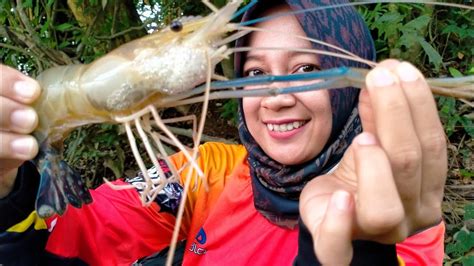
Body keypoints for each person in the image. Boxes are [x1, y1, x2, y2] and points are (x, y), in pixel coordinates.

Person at [0, 0, 446, 265]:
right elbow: (75, 236)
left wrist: (359, 251)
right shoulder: (204, 171)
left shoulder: (396, 213)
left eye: (306, 69)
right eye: (253, 73)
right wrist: (8, 190)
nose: (274, 96)